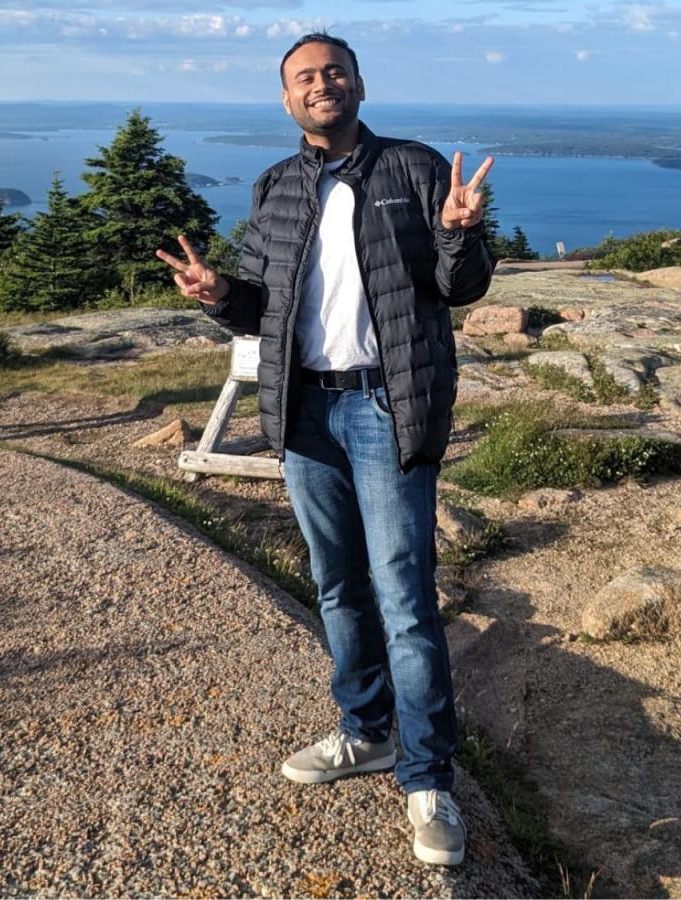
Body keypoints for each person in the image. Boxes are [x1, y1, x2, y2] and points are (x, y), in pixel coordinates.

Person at [155, 32, 493, 867]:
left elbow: (459, 289)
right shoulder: (277, 185)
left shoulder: (413, 169)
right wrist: (217, 293)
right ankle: (365, 732)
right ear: (286, 99)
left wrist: (459, 232)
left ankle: (428, 779)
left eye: (334, 71)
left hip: (386, 406)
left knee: (404, 598)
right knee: (338, 586)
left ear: (359, 85)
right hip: (305, 411)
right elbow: (260, 308)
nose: (321, 84)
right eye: (304, 77)